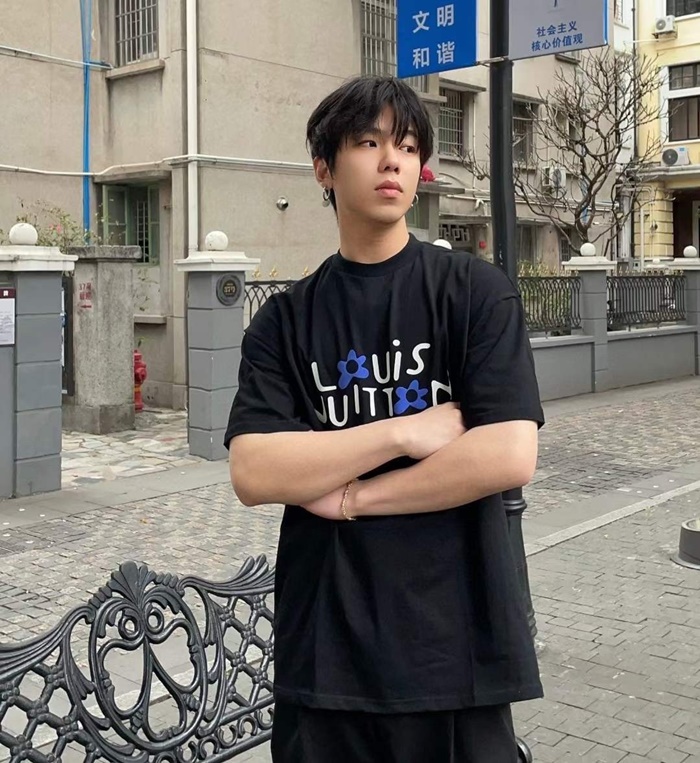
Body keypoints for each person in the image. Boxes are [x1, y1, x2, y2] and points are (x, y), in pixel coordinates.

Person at [225, 75, 544, 763]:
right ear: (324, 168)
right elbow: (255, 470)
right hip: (325, 656)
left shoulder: (474, 292)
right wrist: (402, 432)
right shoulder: (284, 322)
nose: (392, 160)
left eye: (406, 145)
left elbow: (507, 453)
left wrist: (352, 496)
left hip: (456, 653)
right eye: (368, 143)